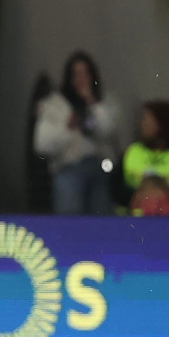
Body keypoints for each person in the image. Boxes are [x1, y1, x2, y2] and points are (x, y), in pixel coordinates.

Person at [33, 51, 119, 215]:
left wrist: (92, 103)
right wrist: (68, 129)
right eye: (76, 74)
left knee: (101, 221)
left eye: (85, 73)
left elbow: (107, 129)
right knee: (70, 215)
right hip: (68, 168)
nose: (81, 79)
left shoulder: (105, 103)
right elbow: (41, 144)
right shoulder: (53, 105)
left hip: (101, 169)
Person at [110, 100, 169, 215]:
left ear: (162, 124)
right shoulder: (132, 151)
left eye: (147, 120)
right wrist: (141, 195)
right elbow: (115, 187)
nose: (142, 124)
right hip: (131, 221)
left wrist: (164, 192)